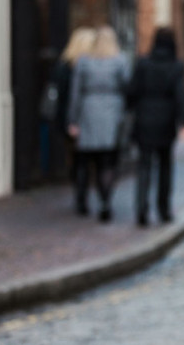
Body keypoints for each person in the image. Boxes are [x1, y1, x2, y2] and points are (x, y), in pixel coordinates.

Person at [127, 27, 184, 227]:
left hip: (144, 119)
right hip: (166, 121)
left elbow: (132, 92)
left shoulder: (143, 63)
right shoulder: (176, 66)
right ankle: (163, 210)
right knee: (165, 166)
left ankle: (141, 210)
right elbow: (181, 96)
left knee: (144, 166)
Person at [67, 25, 130, 222]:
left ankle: (82, 202)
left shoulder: (84, 62)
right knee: (107, 162)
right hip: (112, 113)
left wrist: (73, 120)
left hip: (88, 112)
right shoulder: (120, 61)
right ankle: (105, 202)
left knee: (85, 161)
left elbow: (75, 93)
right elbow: (127, 88)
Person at [46, 27, 96, 187]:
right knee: (84, 157)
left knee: (77, 156)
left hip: (68, 118)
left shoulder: (63, 66)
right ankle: (82, 188)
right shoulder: (88, 67)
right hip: (81, 118)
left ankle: (80, 189)